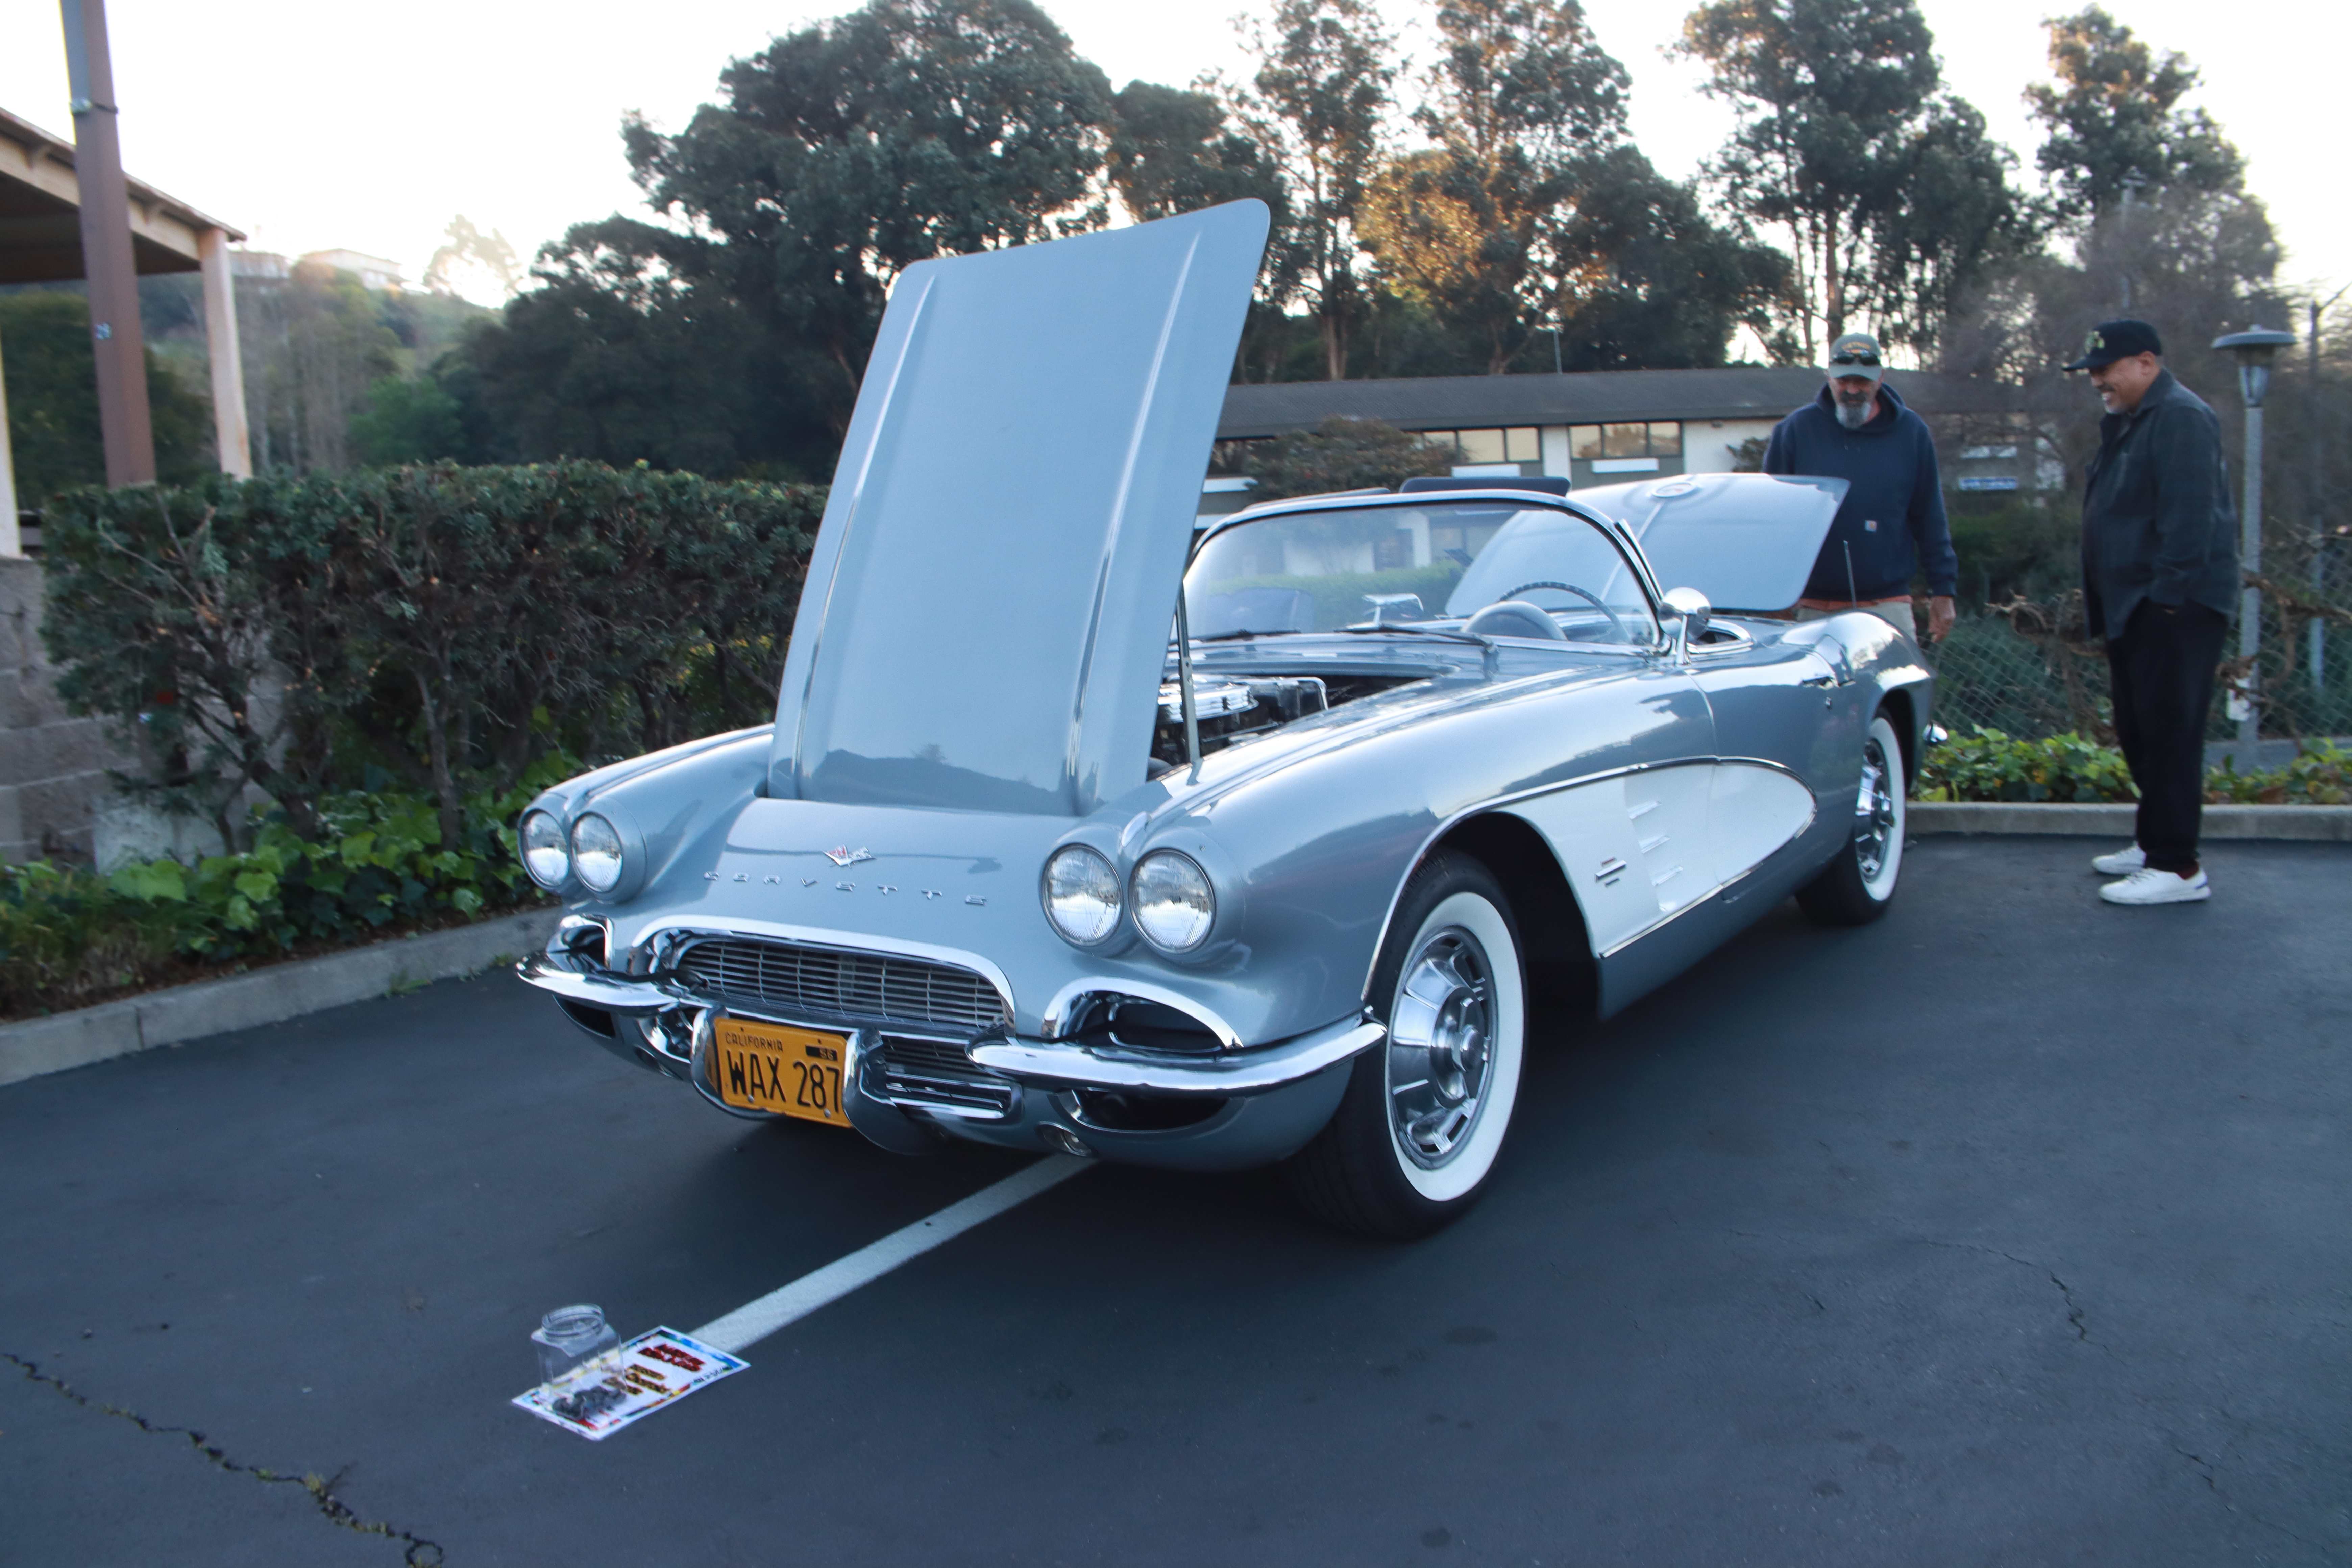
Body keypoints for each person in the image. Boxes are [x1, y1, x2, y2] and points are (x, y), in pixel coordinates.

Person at [2067, 318, 2238, 907]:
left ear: (2146, 363)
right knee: (2141, 730)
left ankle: (2177, 866)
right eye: (2091, 372)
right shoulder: (2135, 420)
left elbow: (2190, 518)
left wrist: (2166, 600)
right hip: (2136, 605)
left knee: (2170, 734)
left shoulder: (2181, 417)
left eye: (2105, 369)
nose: (2096, 381)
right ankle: (2153, 841)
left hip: (2172, 607)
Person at [1763, 330, 1958, 644]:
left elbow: (1930, 516)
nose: (1852, 390)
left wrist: (1944, 591)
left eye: (1862, 382)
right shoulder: (1794, 432)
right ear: (1829, 377)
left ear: (1880, 378)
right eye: (1844, 381)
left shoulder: (1912, 433)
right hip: (1811, 609)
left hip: (1888, 607)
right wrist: (1773, 594)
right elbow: (1771, 521)